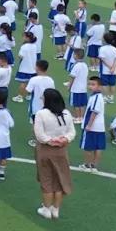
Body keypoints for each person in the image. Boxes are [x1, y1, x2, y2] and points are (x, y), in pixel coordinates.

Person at [32, 88, 75, 220]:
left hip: (46, 150)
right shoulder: (66, 113)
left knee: (46, 179)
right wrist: (64, 139)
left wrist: (51, 141)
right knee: (60, 179)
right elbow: (72, 132)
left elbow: (39, 135)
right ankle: (55, 209)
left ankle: (46, 208)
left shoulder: (41, 114)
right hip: (61, 150)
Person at [79, 76, 106, 172]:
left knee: (88, 147)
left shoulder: (96, 97)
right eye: (89, 84)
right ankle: (94, 166)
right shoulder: (98, 97)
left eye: (93, 84)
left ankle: (87, 165)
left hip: (92, 126)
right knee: (98, 147)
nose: (90, 86)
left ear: (99, 86)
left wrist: (89, 125)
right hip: (100, 127)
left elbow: (94, 112)